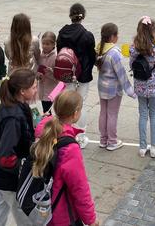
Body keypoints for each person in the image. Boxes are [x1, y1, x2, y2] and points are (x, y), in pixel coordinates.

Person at [0, 69, 37, 226]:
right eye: (33, 87)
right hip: (7, 177)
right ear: (22, 91)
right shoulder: (12, 117)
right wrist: (23, 169)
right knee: (25, 215)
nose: (36, 90)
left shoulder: (15, 105)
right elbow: (6, 157)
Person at [34, 91, 99, 226]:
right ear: (75, 113)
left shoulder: (45, 128)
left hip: (42, 206)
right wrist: (90, 219)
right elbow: (80, 188)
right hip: (62, 213)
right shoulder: (70, 148)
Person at [57, 3, 97, 147]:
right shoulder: (87, 35)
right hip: (83, 75)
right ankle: (80, 136)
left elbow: (59, 53)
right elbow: (92, 57)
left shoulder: (62, 32)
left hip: (67, 74)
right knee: (80, 104)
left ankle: (64, 132)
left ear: (70, 15)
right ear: (83, 16)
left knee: (67, 103)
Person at [129, 16, 155, 157]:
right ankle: (154, 146)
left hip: (140, 85)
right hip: (154, 86)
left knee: (143, 115)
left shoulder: (134, 48)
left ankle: (142, 146)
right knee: (154, 115)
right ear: (152, 32)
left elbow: (131, 65)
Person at [96, 23, 134, 151]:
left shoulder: (99, 48)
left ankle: (103, 139)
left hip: (102, 87)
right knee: (112, 114)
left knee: (103, 113)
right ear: (113, 37)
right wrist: (130, 91)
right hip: (113, 89)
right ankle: (112, 141)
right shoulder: (114, 53)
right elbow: (121, 74)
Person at [37, 31, 58, 113]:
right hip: (43, 89)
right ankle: (47, 124)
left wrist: (51, 72)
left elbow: (59, 79)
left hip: (54, 90)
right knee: (46, 111)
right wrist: (38, 75)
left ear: (54, 44)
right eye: (43, 43)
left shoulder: (56, 57)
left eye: (47, 44)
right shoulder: (40, 56)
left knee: (53, 111)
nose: (44, 46)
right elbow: (38, 70)